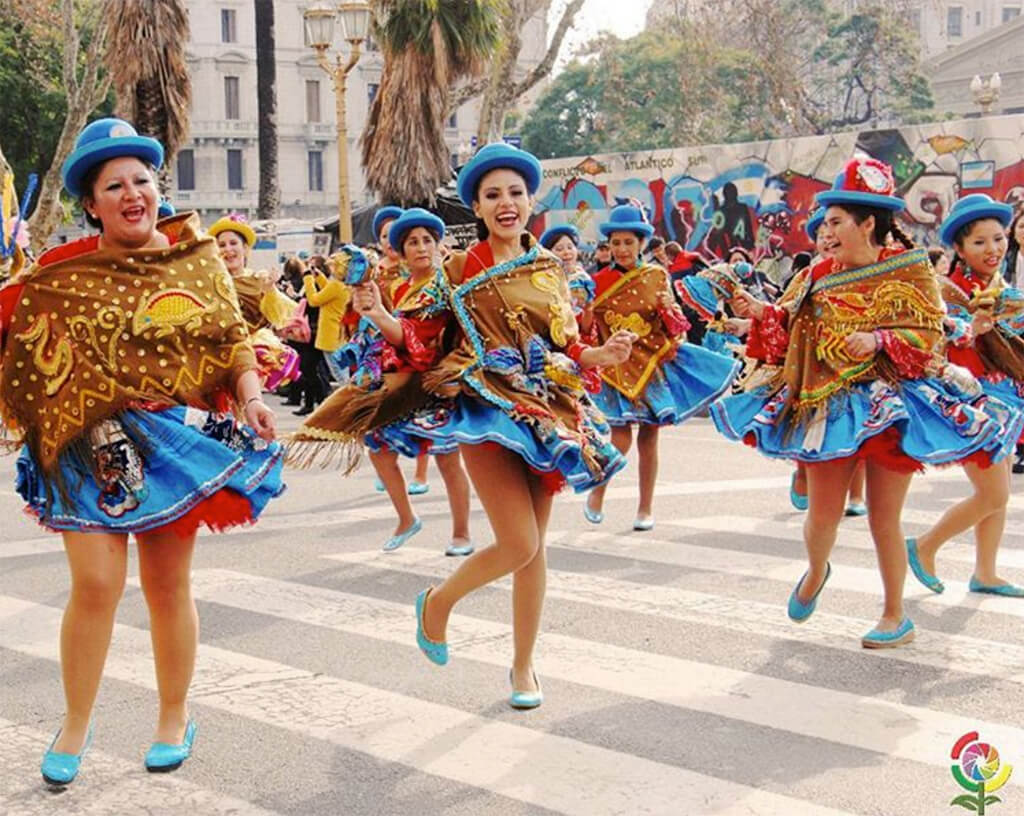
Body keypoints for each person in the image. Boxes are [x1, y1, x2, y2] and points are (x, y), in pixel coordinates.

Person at [0, 118, 283, 785]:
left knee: (165, 585)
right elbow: (23, 342)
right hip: (84, 441)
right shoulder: (62, 274)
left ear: (157, 187)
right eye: (114, 185)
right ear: (91, 203)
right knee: (95, 585)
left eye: (142, 180)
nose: (132, 194)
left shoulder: (196, 256)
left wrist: (250, 398)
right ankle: (76, 721)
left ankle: (173, 715)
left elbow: (229, 338)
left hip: (172, 440)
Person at [716, 157, 1020, 648]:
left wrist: (880, 339)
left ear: (868, 223)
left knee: (884, 517)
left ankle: (894, 614)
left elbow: (928, 337)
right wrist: (760, 314)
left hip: (892, 406)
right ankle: (816, 570)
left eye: (836, 221)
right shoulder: (814, 275)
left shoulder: (913, 269)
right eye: (827, 223)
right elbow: (784, 328)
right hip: (827, 405)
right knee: (823, 516)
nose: (826, 231)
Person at [411, 143, 635, 708]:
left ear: (530, 200)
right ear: (478, 209)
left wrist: (599, 355)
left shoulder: (547, 268)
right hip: (486, 410)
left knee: (535, 553)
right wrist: (382, 316)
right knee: (518, 543)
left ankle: (523, 668)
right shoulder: (459, 269)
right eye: (493, 196)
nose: (506, 203)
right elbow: (419, 339)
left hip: (545, 413)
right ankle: (438, 603)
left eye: (515, 193)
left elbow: (564, 342)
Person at [289, 211, 475, 556]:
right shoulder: (401, 287)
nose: (421, 248)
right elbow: (393, 334)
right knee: (377, 446)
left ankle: (462, 533)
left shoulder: (448, 284)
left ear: (438, 245)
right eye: (412, 243)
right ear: (401, 253)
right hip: (406, 378)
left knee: (448, 461)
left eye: (427, 240)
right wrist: (371, 316)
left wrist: (379, 317)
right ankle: (406, 518)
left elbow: (419, 336)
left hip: (440, 381)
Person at [582, 204, 741, 530]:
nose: (622, 249)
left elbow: (674, 324)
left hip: (652, 364)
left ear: (641, 243)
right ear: (608, 246)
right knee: (619, 437)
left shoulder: (657, 276)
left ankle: (645, 508)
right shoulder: (597, 282)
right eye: (616, 243)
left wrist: (672, 316)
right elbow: (589, 326)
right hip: (615, 367)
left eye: (629, 242)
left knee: (649, 440)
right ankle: (598, 493)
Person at [906, 194, 1024, 597]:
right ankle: (925, 546)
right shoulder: (949, 294)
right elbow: (948, 347)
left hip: (1006, 400)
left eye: (998, 239)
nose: (992, 249)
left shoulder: (1002, 289)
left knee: (998, 495)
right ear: (959, 247)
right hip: (973, 405)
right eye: (979, 242)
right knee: (994, 492)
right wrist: (976, 324)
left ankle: (986, 573)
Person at [207, 214, 300, 391]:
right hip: (218, 354)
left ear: (245, 248)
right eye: (222, 245)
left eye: (233, 243)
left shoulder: (259, 279)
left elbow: (279, 316)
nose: (228, 249)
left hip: (251, 355)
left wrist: (269, 290)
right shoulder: (209, 282)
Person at [539, 223, 595, 314]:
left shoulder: (583, 278)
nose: (566, 252)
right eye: (559, 249)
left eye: (570, 247)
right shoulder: (544, 279)